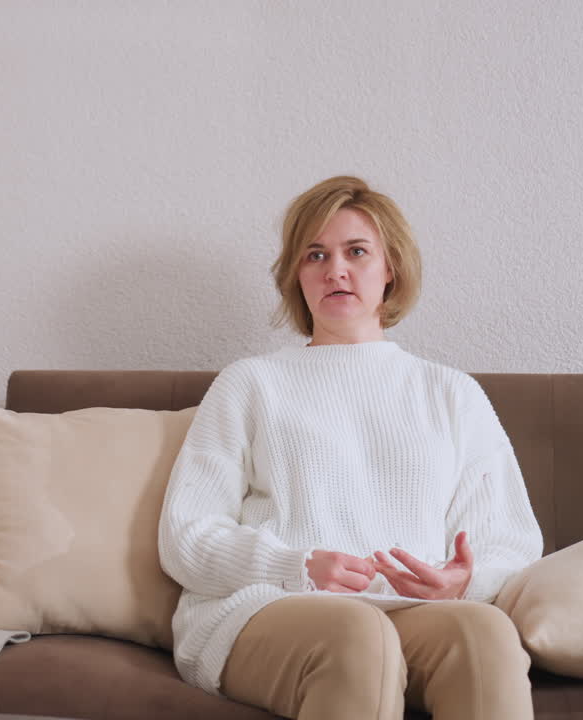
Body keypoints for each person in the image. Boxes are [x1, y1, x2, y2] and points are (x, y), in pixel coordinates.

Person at [158, 176, 543, 720]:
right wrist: (296, 565)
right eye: (315, 255)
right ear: (296, 275)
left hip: (410, 615)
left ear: (390, 268)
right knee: (359, 633)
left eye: (356, 252)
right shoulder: (251, 384)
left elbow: (509, 540)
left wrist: (464, 582)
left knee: (485, 632)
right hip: (266, 609)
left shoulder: (451, 393)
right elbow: (186, 536)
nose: (335, 269)